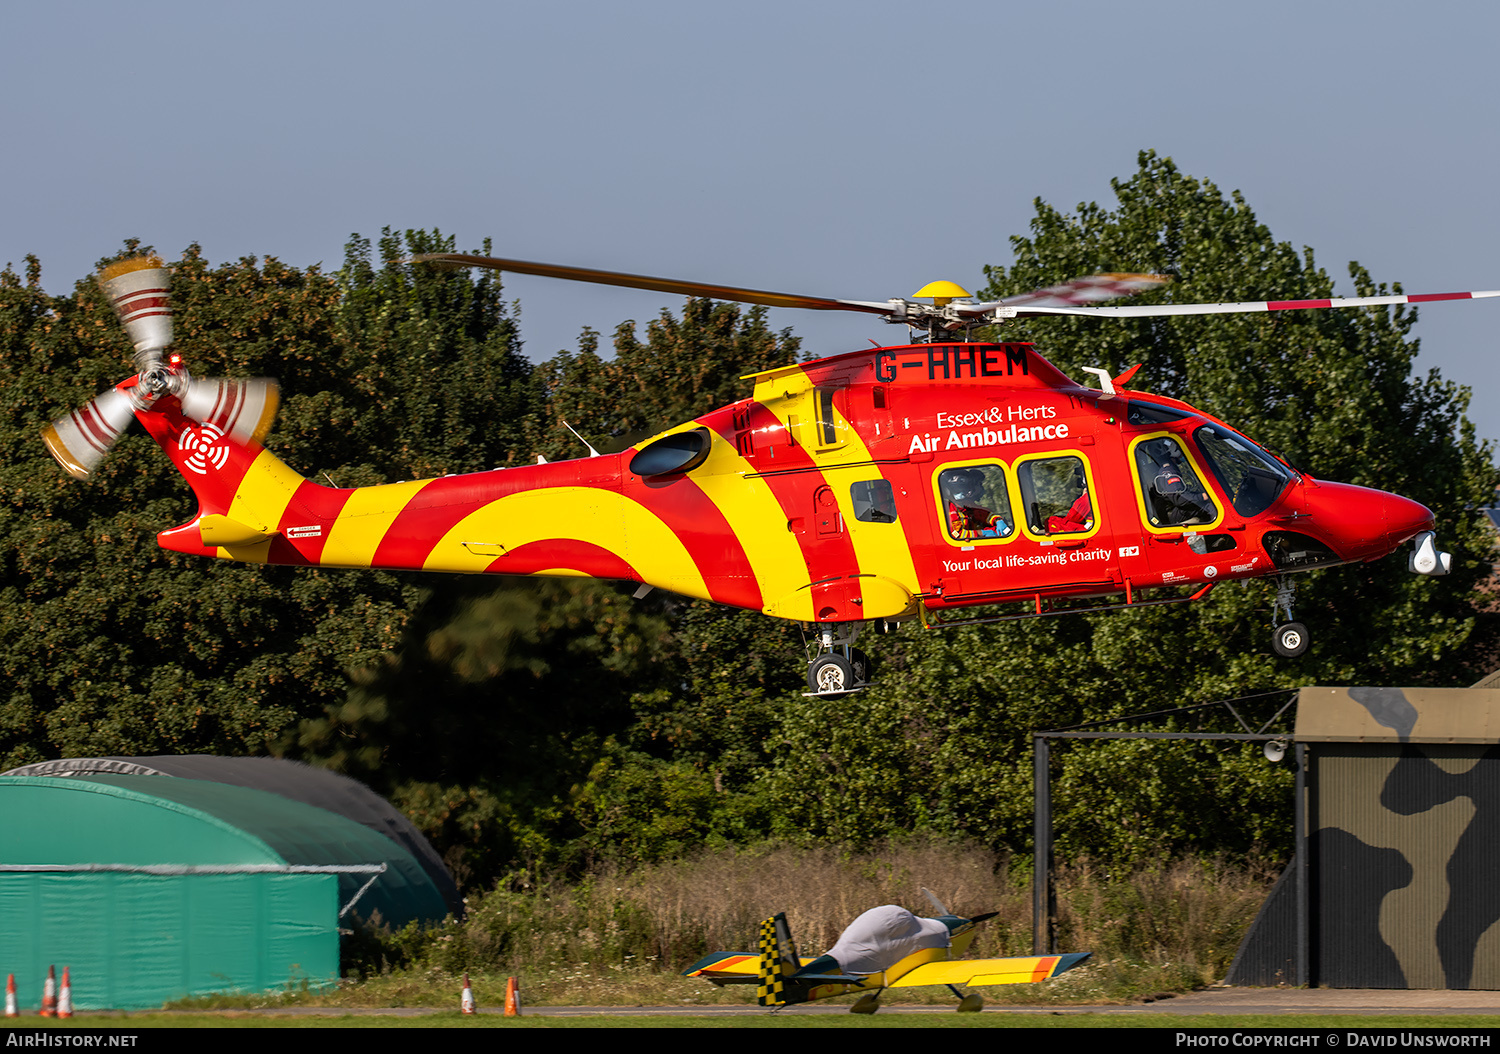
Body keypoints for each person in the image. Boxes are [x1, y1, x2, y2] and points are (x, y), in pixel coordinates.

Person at [939, 467, 1010, 541]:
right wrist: (981, 533)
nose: (969, 492)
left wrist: (997, 520)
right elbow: (956, 535)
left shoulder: (965, 506)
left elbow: (983, 514)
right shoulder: (948, 508)